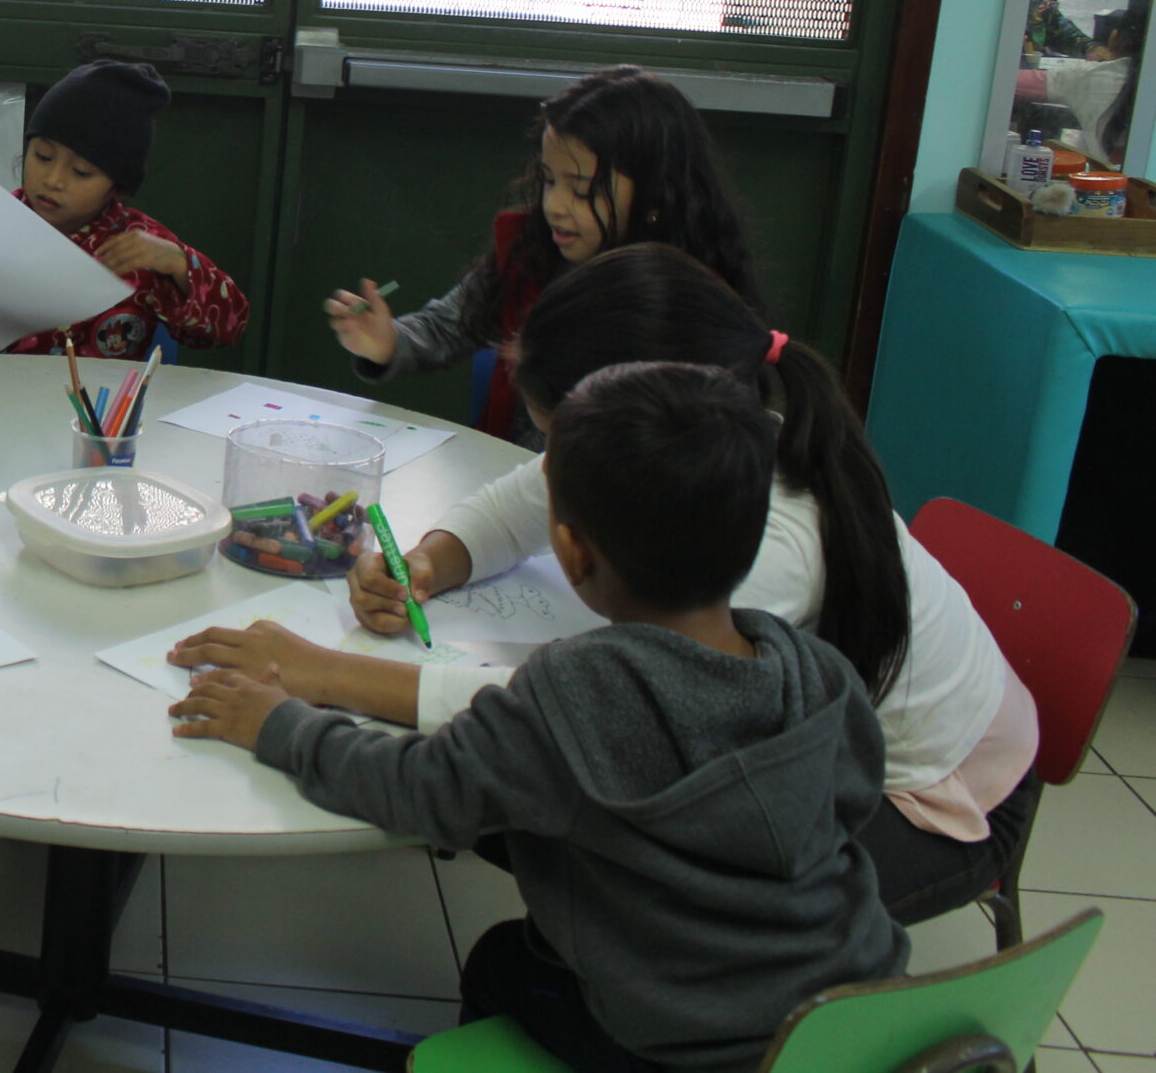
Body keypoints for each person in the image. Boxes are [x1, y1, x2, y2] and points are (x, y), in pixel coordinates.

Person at [182, 243, 1036, 924]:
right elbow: (520, 503)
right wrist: (433, 562)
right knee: (552, 809)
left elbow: (566, 718)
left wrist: (323, 673)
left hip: (934, 805)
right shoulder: (720, 439)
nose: (557, 497)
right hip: (819, 763)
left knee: (587, 844)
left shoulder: (767, 546)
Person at [170, 362, 907, 1072]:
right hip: (853, 1019)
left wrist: (278, 723)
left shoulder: (577, 689)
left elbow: (420, 791)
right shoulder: (814, 668)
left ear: (570, 550)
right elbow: (855, 794)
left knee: (502, 961)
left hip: (679, 1045)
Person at [324, 66, 762, 445]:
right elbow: (448, 326)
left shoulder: (693, 307)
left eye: (583, 189)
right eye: (550, 180)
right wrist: (388, 342)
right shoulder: (533, 254)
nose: (554, 205)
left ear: (657, 197)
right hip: (521, 496)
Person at [0, 59, 249, 357]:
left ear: (116, 186)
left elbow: (227, 328)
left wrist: (179, 263)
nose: (53, 179)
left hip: (91, 425)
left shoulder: (140, 246)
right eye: (42, 156)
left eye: (81, 171)